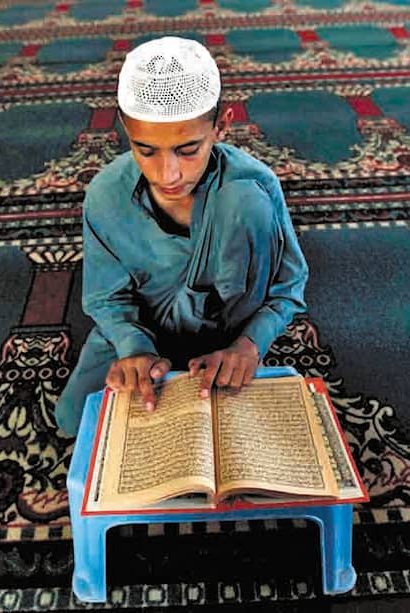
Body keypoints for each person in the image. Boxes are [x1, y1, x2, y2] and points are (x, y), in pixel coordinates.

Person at [54, 36, 308, 436]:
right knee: (75, 422)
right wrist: (133, 350)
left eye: (188, 150)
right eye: (146, 151)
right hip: (143, 333)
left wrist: (249, 346)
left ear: (221, 126)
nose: (166, 174)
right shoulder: (107, 195)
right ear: (125, 128)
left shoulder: (254, 188)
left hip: (226, 338)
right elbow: (106, 297)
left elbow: (288, 287)